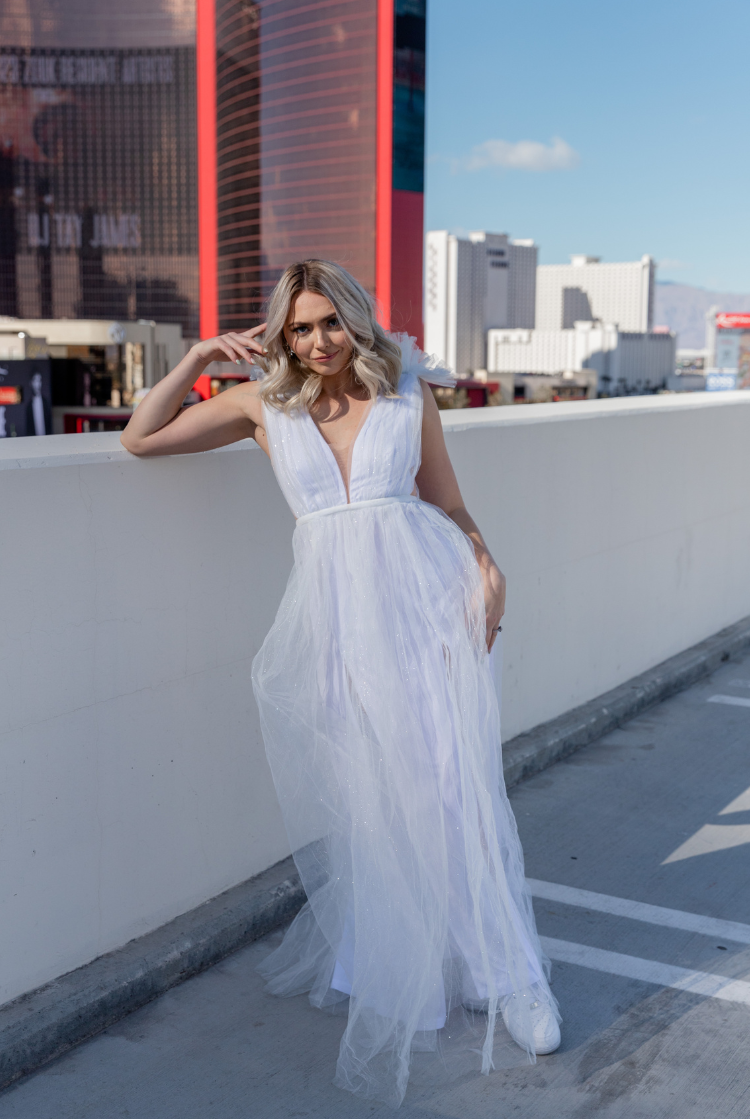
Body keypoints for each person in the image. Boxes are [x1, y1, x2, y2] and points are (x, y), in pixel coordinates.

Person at [121, 259, 561, 1107]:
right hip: (337, 632)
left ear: (355, 321)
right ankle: (407, 965)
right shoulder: (263, 407)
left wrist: (487, 564)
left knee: (456, 788)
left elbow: (449, 504)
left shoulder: (406, 394)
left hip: (431, 609)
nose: (318, 340)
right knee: (377, 799)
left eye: (330, 322)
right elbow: (141, 437)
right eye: (301, 327)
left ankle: (510, 976)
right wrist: (199, 355)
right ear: (282, 336)